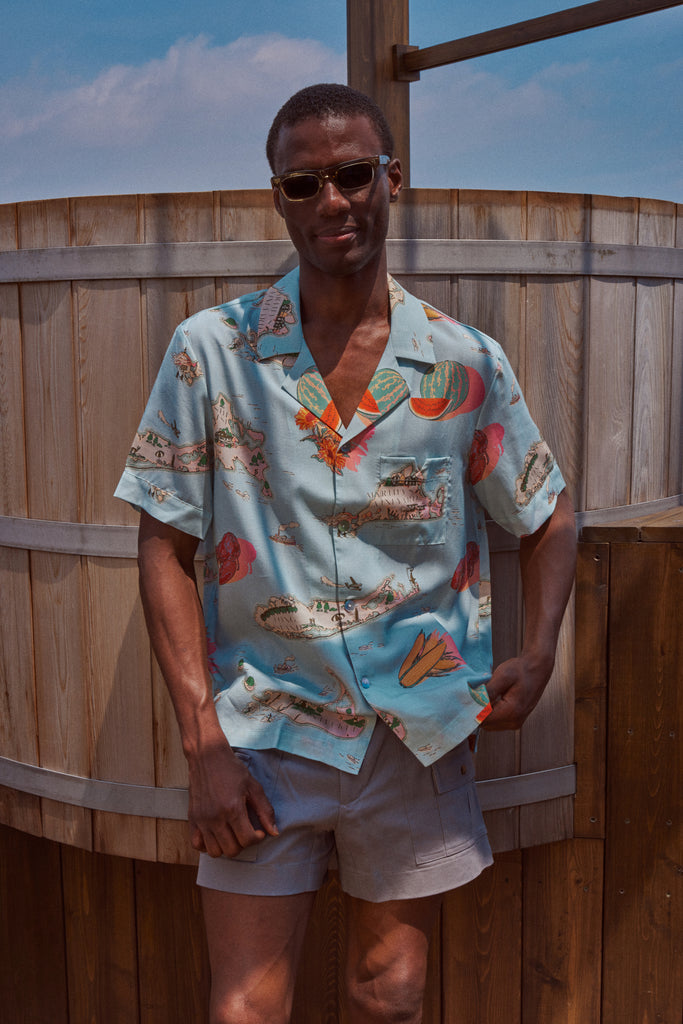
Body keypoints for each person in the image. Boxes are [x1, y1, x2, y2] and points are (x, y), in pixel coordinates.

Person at [115, 83, 576, 1024]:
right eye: (304, 183)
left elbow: (549, 515)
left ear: (393, 179)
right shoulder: (212, 354)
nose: (333, 201)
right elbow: (161, 544)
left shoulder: (464, 364)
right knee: (245, 1007)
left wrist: (538, 653)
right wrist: (202, 745)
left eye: (354, 174)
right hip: (261, 735)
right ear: (277, 196)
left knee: (388, 997)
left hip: (419, 738)